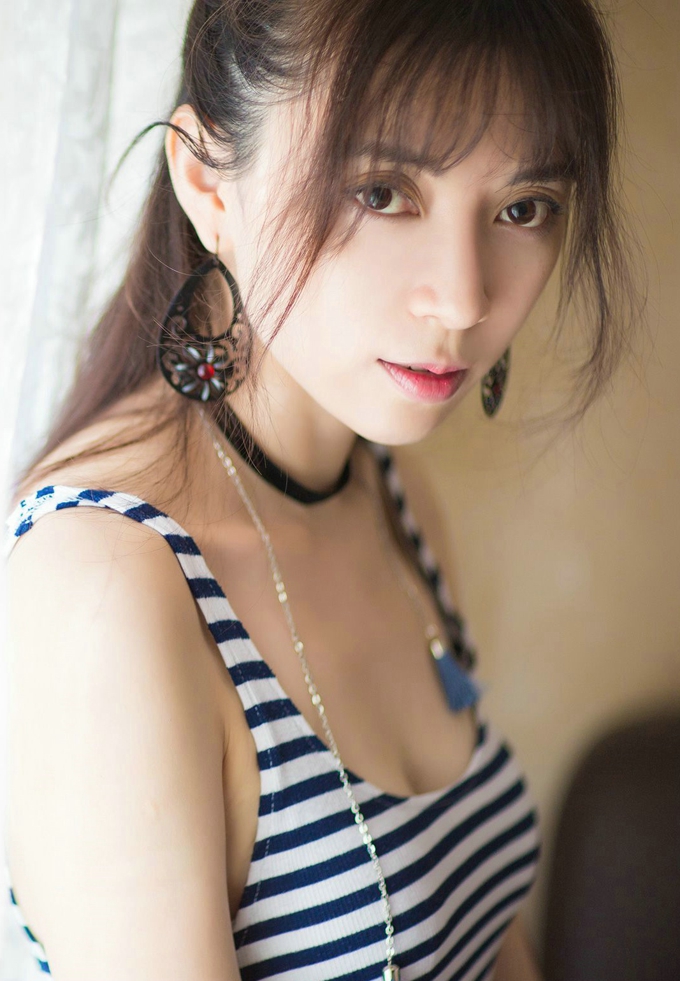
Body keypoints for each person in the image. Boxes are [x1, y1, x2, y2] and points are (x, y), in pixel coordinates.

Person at [3, 1, 641, 979]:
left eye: (522, 208)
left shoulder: (390, 496)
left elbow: (484, 937)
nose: (464, 299)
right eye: (382, 193)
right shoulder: (105, 590)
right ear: (207, 184)